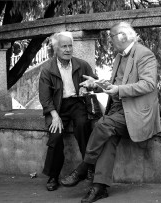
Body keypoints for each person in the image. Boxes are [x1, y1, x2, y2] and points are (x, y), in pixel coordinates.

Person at [60, 22, 161, 203]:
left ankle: (85, 166)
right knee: (107, 138)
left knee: (103, 124)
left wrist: (118, 90)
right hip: (119, 110)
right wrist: (97, 85)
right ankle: (100, 187)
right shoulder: (119, 56)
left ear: (122, 36)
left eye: (111, 36)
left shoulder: (144, 54)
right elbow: (114, 85)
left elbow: (148, 84)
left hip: (135, 111)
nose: (110, 40)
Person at [39, 31, 97, 191]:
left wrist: (94, 84)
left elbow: (97, 84)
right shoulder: (47, 69)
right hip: (56, 107)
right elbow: (44, 98)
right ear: (56, 49)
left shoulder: (82, 64)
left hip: (77, 102)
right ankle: (53, 175)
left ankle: (89, 168)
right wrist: (54, 115)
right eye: (63, 46)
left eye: (70, 46)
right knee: (55, 135)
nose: (67, 49)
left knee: (83, 126)